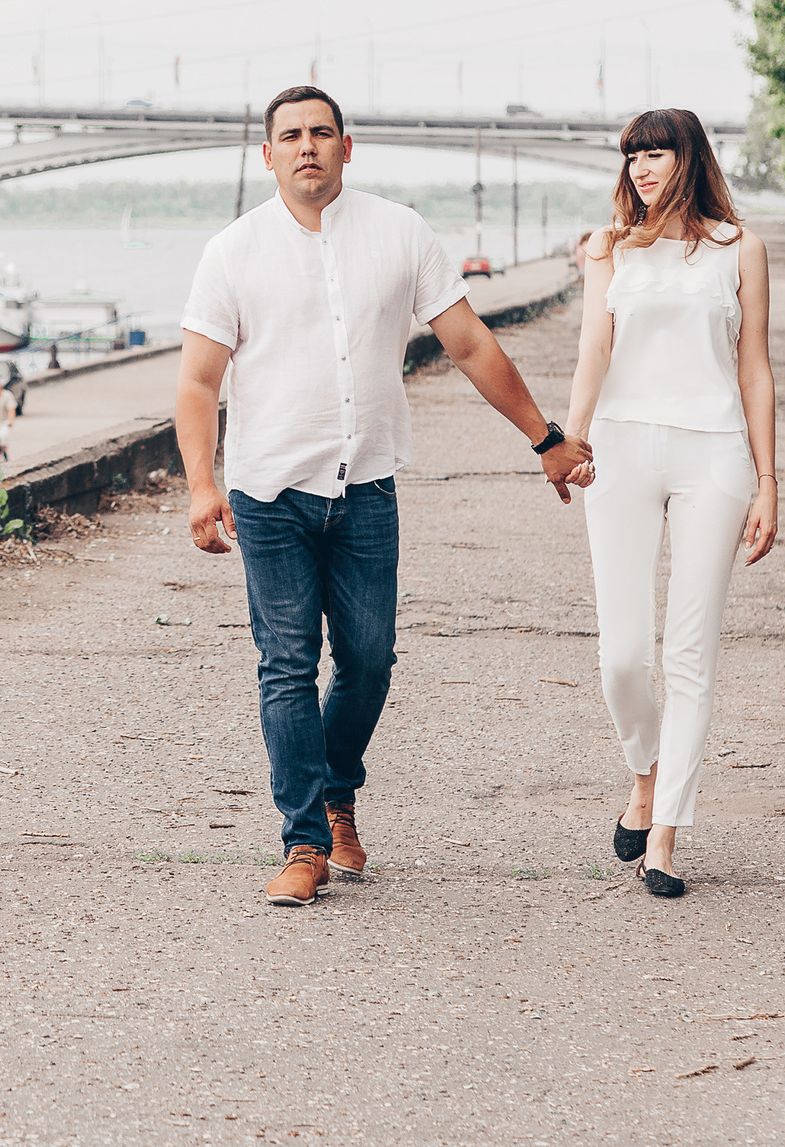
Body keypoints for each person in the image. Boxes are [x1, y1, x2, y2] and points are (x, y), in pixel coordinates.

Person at [176, 84, 594, 908]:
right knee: (286, 664)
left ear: (347, 146)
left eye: (321, 133)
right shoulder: (233, 250)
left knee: (368, 661)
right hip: (269, 492)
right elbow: (196, 380)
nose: (307, 147)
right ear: (267, 155)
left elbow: (469, 342)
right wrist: (200, 483)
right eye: (290, 135)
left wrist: (545, 438)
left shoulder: (400, 232)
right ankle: (304, 840)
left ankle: (338, 789)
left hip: (365, 484)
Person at [559, 108, 776, 899]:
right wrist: (570, 439)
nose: (643, 167)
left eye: (657, 152)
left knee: (689, 653)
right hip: (617, 447)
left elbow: (754, 368)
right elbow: (594, 349)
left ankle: (665, 834)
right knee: (622, 657)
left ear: (690, 156)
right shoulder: (607, 247)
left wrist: (769, 479)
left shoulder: (739, 247)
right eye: (632, 155)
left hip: (713, 453)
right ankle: (643, 771)